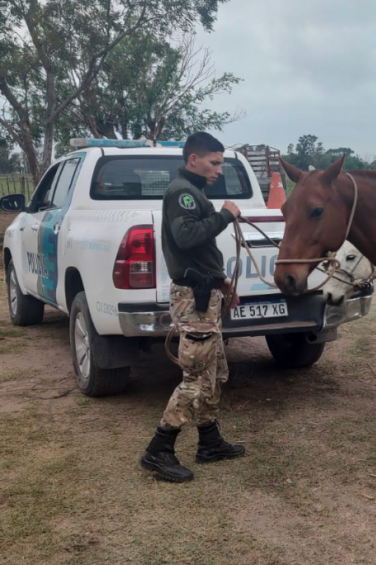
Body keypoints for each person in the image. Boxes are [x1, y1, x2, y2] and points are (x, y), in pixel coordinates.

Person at [139, 132, 246, 483]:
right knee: (196, 377)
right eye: (214, 162)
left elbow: (198, 251)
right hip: (193, 299)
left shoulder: (193, 192)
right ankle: (159, 449)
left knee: (214, 371)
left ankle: (210, 442)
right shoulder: (183, 193)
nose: (218, 169)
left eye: (221, 163)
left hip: (206, 292)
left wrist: (222, 281)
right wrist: (226, 215)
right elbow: (186, 237)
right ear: (193, 161)